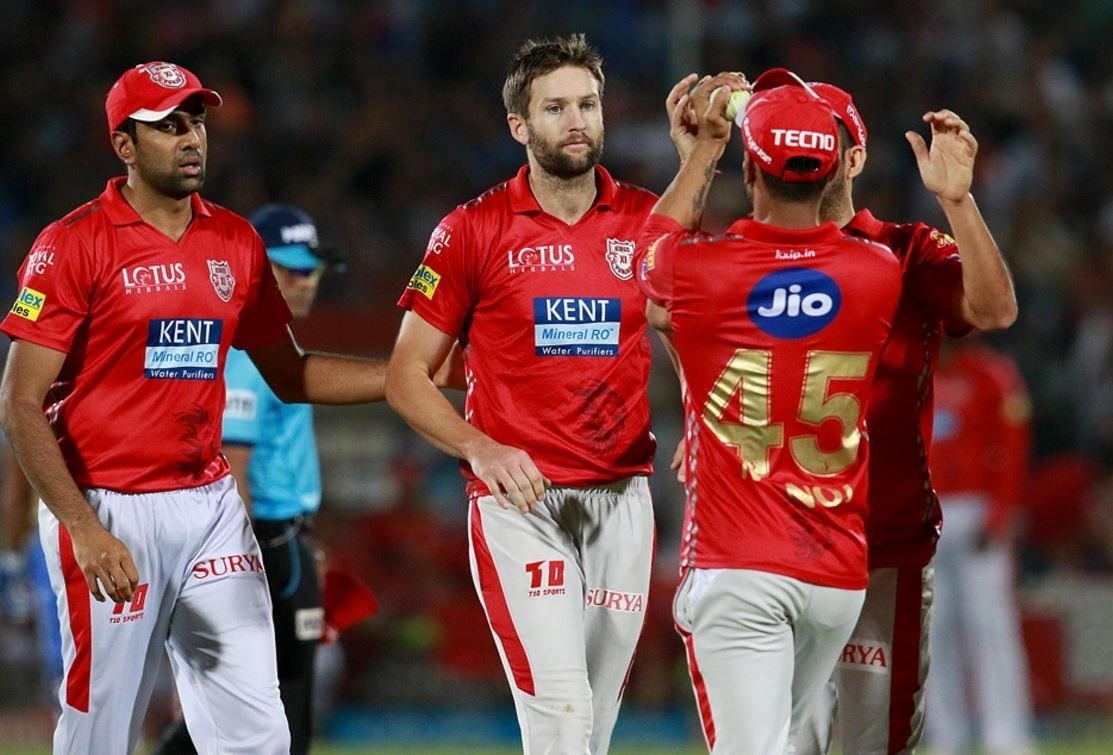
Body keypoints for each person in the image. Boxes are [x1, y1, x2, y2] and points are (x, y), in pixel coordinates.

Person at [0, 61, 390, 755]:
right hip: (108, 507)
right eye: (168, 126)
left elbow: (291, 373)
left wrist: (412, 376)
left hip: (209, 507)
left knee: (258, 733)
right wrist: (84, 528)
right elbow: (18, 403)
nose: (190, 138)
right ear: (124, 145)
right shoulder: (72, 243)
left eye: (196, 122)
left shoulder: (235, 241)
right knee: (100, 734)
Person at [385, 34, 661, 754]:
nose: (577, 121)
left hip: (623, 498)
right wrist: (480, 448)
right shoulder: (470, 229)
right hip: (520, 503)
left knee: (593, 729)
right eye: (556, 107)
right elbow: (405, 373)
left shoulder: (647, 221)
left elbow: (696, 331)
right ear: (519, 125)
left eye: (588, 104)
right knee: (561, 715)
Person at [746, 68, 1018, 755]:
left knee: (875, 744)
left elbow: (993, 310)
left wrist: (958, 202)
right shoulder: (746, 256)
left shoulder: (907, 250)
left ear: (854, 157)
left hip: (883, 546)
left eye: (819, 133)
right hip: (774, 547)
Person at [637, 76, 901, 754]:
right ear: (834, 171)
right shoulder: (876, 272)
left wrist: (701, 151)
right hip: (834, 573)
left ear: (749, 170)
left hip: (739, 565)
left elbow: (647, 261)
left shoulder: (702, 272)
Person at [153, 203, 344, 754]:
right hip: (263, 542)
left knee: (251, 705)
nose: (307, 282)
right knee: (280, 702)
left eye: (313, 269)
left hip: (281, 538)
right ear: (256, 270)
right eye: (293, 269)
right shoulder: (246, 355)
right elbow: (233, 467)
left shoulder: (260, 346)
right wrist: (246, 567)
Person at [925, 337, 1035, 755]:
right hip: (928, 509)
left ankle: (1005, 733)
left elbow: (1013, 443)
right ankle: (945, 735)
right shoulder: (915, 371)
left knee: (991, 626)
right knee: (933, 632)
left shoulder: (992, 374)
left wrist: (1000, 512)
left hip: (977, 509)